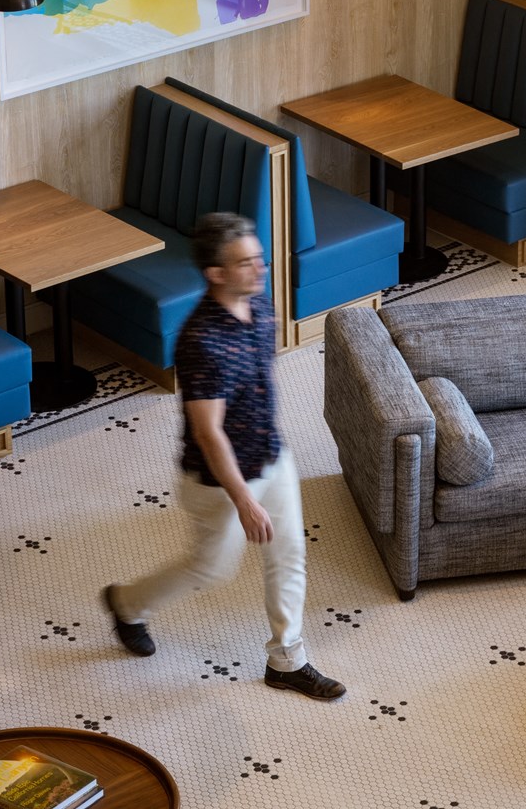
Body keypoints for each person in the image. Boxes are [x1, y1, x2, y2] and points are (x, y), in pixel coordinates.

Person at [101, 211, 345, 701]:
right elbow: (209, 434)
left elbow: (262, 377)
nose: (261, 270)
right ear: (216, 274)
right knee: (210, 570)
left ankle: (287, 659)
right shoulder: (200, 342)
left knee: (288, 553)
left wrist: (268, 455)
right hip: (218, 481)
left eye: (260, 259)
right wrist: (245, 501)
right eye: (246, 263)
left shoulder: (261, 308)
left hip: (271, 457)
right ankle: (126, 603)